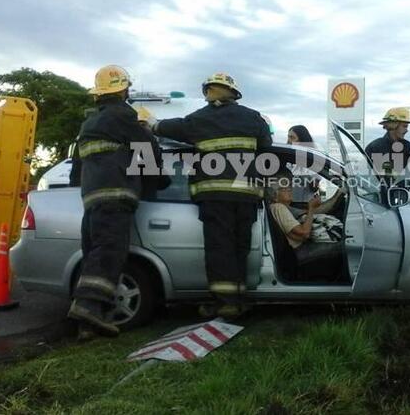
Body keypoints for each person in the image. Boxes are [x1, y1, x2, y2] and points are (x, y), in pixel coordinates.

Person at [153, 72, 272, 318]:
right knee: (240, 249)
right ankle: (238, 299)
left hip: (215, 198)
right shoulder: (253, 118)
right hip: (245, 197)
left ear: (210, 92)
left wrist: (152, 125)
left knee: (220, 250)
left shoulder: (199, 120)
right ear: (234, 93)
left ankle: (225, 303)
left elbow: (173, 127)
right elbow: (267, 148)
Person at [68, 65, 161, 339]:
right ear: (123, 91)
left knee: (94, 254)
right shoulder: (124, 116)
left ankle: (89, 323)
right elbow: (148, 153)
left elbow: (76, 168)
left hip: (91, 200)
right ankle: (86, 306)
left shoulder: (89, 124)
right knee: (109, 254)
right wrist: (158, 184)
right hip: (116, 196)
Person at [365, 107, 410, 184]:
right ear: (394, 125)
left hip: (403, 194)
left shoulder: (406, 148)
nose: (406, 130)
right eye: (404, 126)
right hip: (384, 194)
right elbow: (387, 177)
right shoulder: (376, 148)